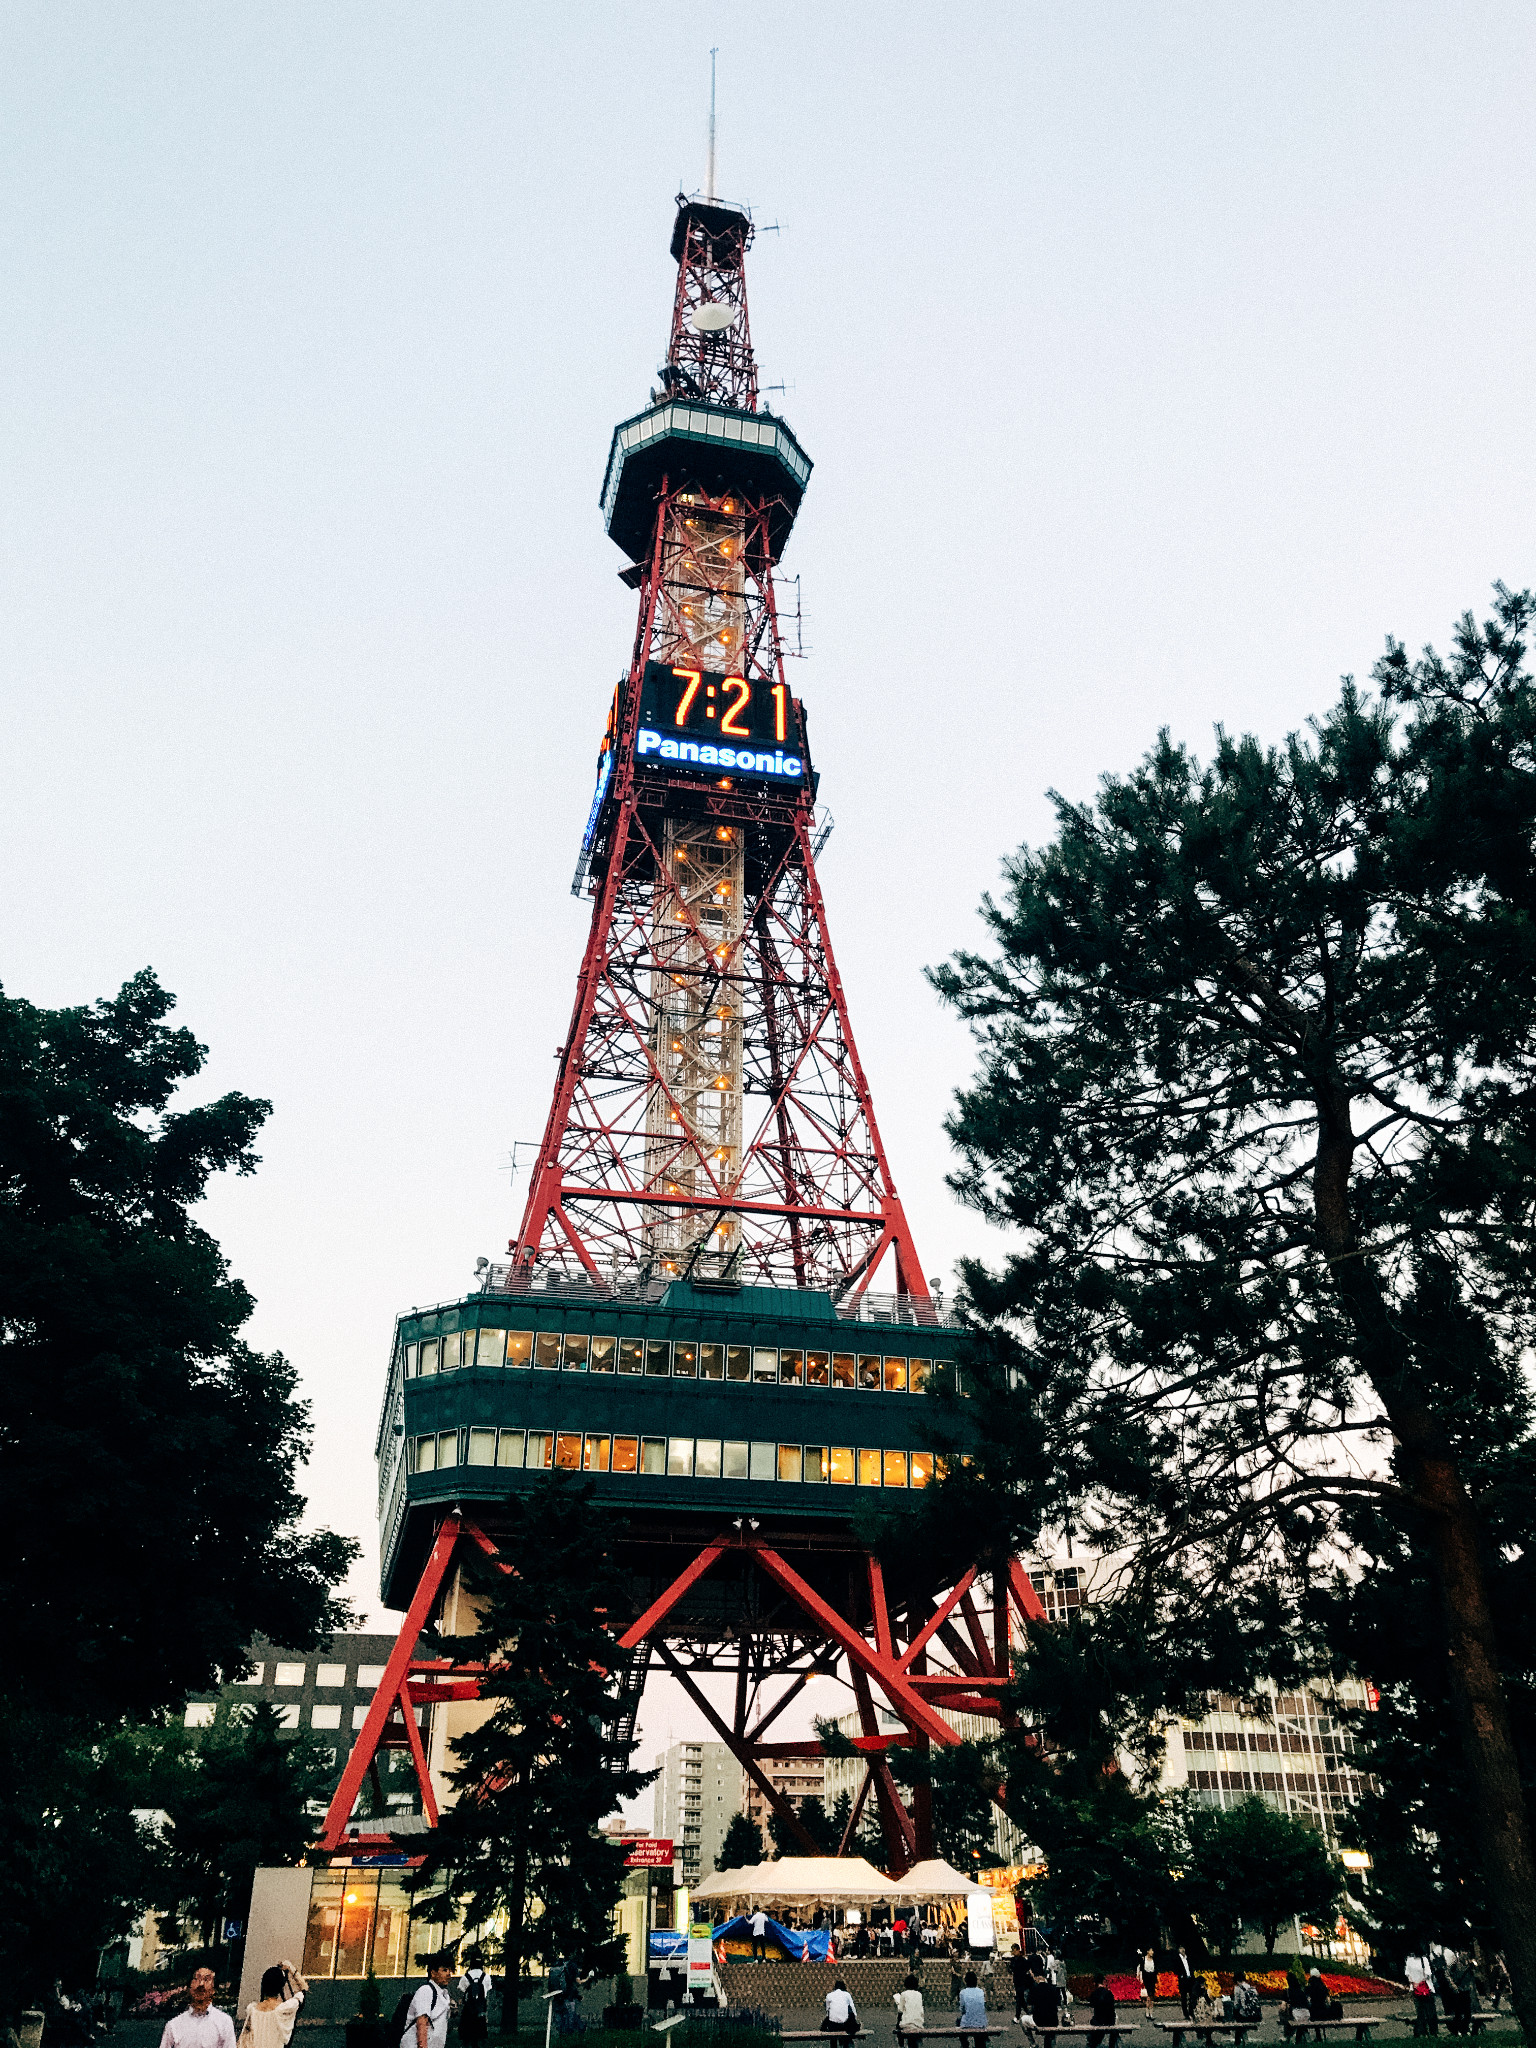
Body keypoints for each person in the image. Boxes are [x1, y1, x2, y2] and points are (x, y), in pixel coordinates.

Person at [160, 1969, 237, 2048]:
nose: (201, 1984)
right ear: (190, 1987)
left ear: (214, 1989)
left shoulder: (224, 2022)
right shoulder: (174, 2025)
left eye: (207, 1979)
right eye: (197, 1979)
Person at [237, 1965, 308, 2048]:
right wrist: (291, 1969)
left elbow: (243, 2041)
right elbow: (302, 1991)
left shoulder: (252, 2010)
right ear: (281, 1986)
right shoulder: (284, 2009)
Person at [401, 1956, 456, 2048]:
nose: (449, 1974)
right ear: (433, 1973)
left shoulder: (444, 1995)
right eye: (444, 1970)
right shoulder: (426, 1990)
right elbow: (422, 2021)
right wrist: (422, 2046)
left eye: (450, 1970)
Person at [458, 1951, 491, 2048]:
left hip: (468, 2011)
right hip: (481, 2011)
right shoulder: (486, 1977)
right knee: (480, 2040)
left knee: (466, 2040)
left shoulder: (465, 1977)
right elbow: (486, 1995)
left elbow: (462, 1995)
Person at [1086, 1973, 1117, 2048]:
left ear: (1095, 1983)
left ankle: (1093, 2042)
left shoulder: (1094, 1994)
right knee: (1112, 2026)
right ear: (1103, 1982)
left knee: (1093, 2021)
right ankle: (1111, 2045)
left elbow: (1092, 2004)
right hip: (1110, 2021)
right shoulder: (1109, 1993)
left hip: (1099, 2020)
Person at [958, 1970, 988, 2048]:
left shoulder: (963, 1992)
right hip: (981, 2023)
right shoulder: (981, 1991)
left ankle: (964, 2044)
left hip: (967, 2023)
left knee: (958, 2021)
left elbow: (962, 2009)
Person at [894, 1973, 926, 2045]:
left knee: (901, 2028)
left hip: (907, 2024)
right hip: (918, 2024)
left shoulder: (903, 1994)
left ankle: (901, 2044)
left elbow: (900, 2011)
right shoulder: (919, 1994)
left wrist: (897, 2025)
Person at [1010, 1946, 1035, 2026]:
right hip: (1017, 1981)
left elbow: (1027, 1968)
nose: (1013, 1952)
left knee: (1019, 1998)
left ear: (1018, 1950)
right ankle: (1029, 2013)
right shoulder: (1013, 1960)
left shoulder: (1023, 1960)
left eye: (1014, 1950)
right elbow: (1011, 1969)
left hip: (1022, 1981)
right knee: (1021, 1999)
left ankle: (1017, 2016)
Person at [1175, 1950, 1197, 2022]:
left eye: (1183, 1948)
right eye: (1181, 1948)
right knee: (1183, 1998)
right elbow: (1176, 1968)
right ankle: (1186, 2013)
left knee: (1192, 1996)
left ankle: (1191, 2012)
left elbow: (1191, 1966)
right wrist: (1181, 1975)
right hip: (1183, 1980)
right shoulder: (1177, 1959)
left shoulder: (1188, 1958)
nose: (1183, 1950)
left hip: (1190, 1979)